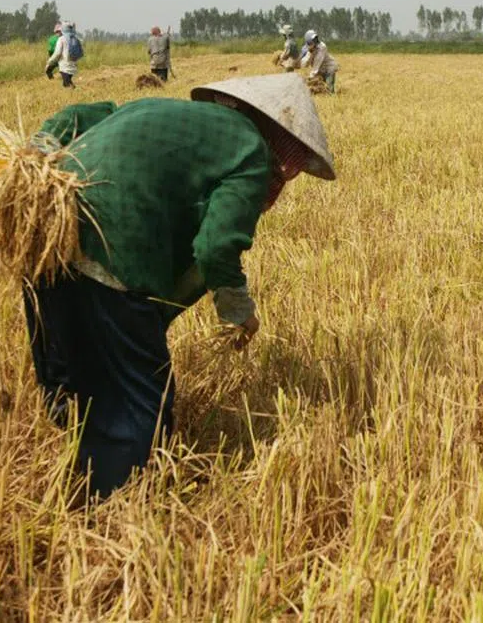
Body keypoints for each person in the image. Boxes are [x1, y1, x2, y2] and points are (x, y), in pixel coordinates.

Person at [25, 73, 336, 498]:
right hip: (113, 250)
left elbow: (83, 114)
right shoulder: (252, 154)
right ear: (282, 147)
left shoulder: (166, 113)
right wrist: (237, 311)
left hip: (42, 233)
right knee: (141, 401)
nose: (285, 174)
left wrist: (39, 150)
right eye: (291, 163)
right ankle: (109, 516)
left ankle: (77, 475)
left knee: (76, 379)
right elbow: (216, 247)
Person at [46, 21, 82, 88]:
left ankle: (78, 91)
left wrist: (50, 61)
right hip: (73, 66)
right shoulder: (75, 39)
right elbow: (80, 52)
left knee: (68, 85)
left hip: (64, 67)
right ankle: (72, 92)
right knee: (66, 84)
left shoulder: (61, 39)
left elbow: (57, 53)